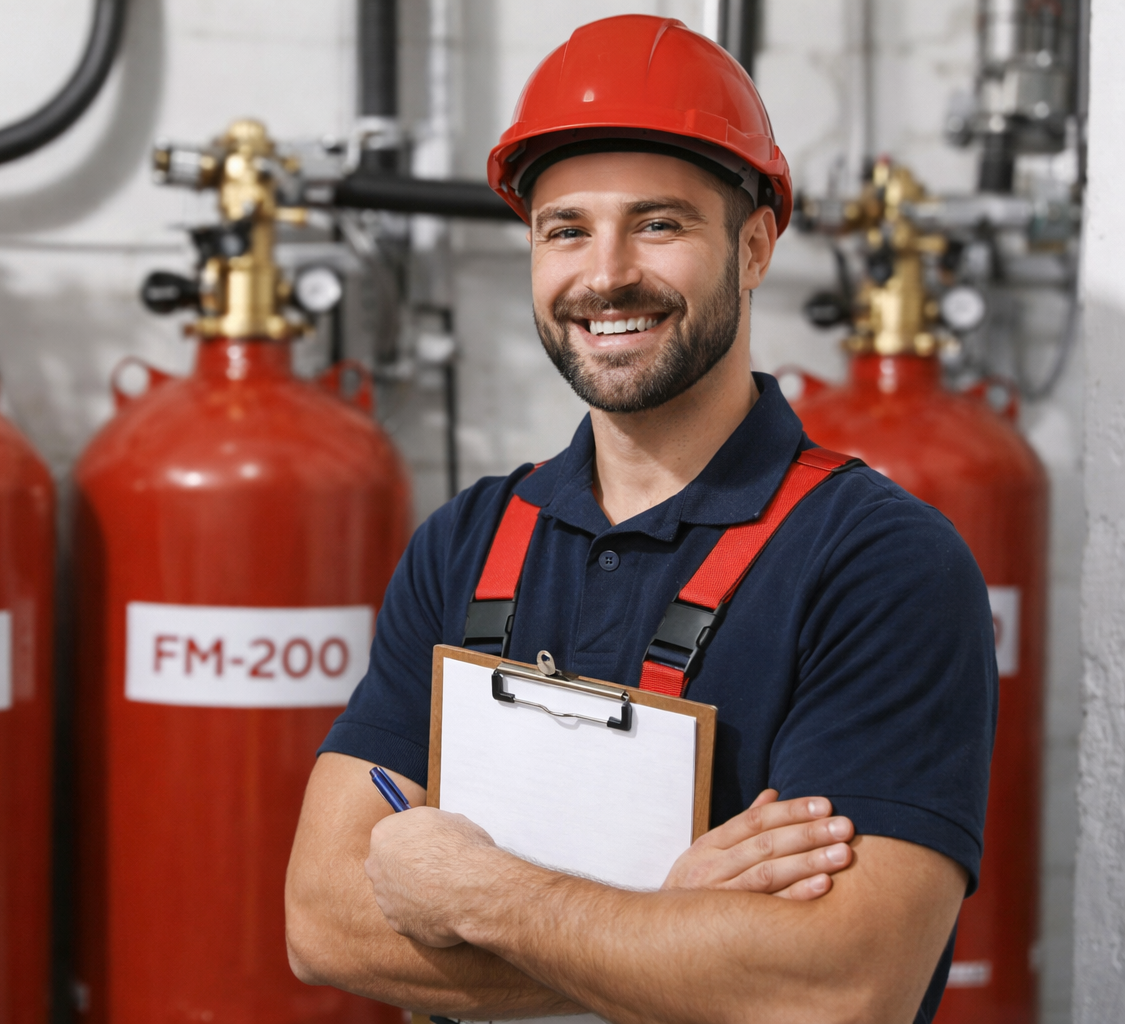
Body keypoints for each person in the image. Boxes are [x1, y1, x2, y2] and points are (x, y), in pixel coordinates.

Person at [285, 15, 996, 1024]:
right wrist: (668, 923)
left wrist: (478, 893)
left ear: (754, 247)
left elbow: (839, 985)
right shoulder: (469, 540)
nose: (605, 273)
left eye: (659, 223)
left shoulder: (880, 564)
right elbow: (321, 921)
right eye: (564, 229)